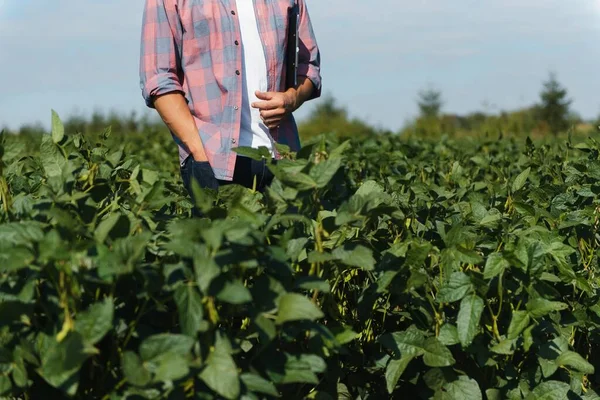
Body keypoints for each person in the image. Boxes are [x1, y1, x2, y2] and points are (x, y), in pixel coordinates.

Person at [139, 0, 322, 200]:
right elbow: (159, 78)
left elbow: (309, 66)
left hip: (283, 160)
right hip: (213, 161)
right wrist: (199, 155)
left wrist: (292, 97)